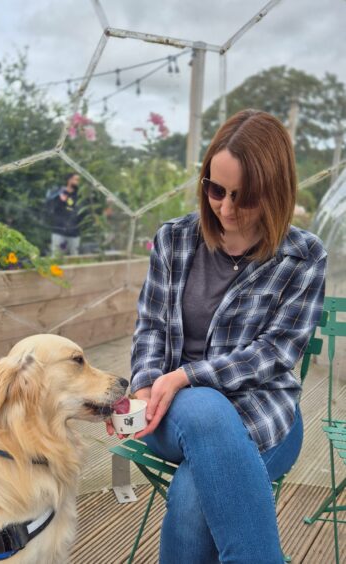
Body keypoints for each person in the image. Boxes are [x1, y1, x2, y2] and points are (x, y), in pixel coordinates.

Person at [107, 109, 326, 563]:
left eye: (243, 198)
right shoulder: (174, 240)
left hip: (263, 416)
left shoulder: (303, 257)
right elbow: (150, 326)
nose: (225, 209)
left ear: (276, 192)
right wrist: (149, 385)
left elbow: (275, 352)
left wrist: (186, 375)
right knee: (204, 406)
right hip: (171, 413)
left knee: (191, 495)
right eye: (215, 189)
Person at [48, 172, 82, 255]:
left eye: (79, 180)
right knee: (56, 257)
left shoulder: (79, 195)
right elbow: (50, 209)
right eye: (76, 179)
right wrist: (61, 201)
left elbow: (81, 212)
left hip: (74, 232)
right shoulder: (58, 193)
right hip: (59, 231)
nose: (78, 182)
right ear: (69, 180)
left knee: (74, 258)